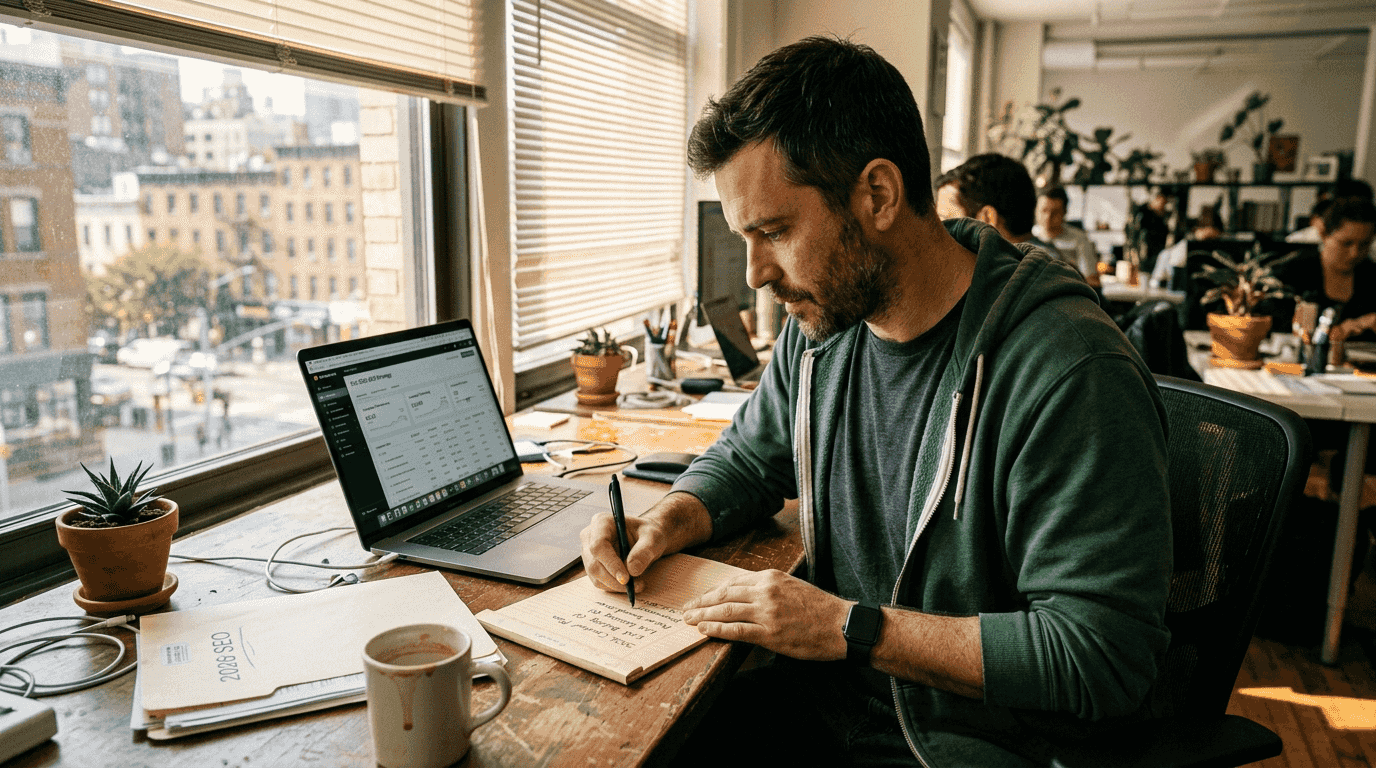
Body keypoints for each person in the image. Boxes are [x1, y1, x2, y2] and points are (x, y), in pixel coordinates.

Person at [579, 36, 1172, 767]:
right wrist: (668, 518)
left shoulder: (1068, 371)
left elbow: (1100, 657)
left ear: (879, 195)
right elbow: (749, 457)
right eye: (745, 239)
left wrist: (850, 630)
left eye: (774, 232)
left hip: (963, 746)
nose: (757, 273)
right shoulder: (827, 321)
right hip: (824, 709)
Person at [934, 153, 1060, 256]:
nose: (939, 230)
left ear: (987, 219)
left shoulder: (1018, 277)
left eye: (946, 218)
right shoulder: (1048, 264)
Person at [1033, 186, 1102, 287]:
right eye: (1044, 210)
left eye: (1055, 212)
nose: (1048, 217)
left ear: (1065, 212)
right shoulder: (1026, 238)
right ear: (1035, 210)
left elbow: (1091, 279)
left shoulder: (1080, 239)